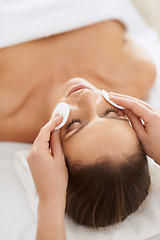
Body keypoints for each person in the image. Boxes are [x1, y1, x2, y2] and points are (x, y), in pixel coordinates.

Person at [27, 93, 160, 240]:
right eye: (111, 113)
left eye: (74, 124)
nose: (87, 95)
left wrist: (50, 200)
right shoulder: (137, 76)